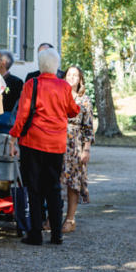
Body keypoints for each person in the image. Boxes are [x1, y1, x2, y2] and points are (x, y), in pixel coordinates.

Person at [9, 47, 80, 246]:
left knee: (34, 188)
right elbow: (73, 111)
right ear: (56, 66)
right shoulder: (64, 87)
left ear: (40, 65)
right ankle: (56, 234)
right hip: (56, 145)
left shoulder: (32, 84)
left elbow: (22, 115)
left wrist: (13, 138)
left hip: (33, 142)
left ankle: (36, 234)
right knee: (54, 188)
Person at [61, 65, 93, 233]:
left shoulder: (84, 100)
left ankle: (70, 219)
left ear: (80, 80)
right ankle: (52, 217)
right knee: (56, 182)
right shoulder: (59, 95)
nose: (71, 77)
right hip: (57, 142)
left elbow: (88, 127)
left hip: (75, 144)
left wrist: (86, 149)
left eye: (75, 75)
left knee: (73, 183)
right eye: (69, 74)